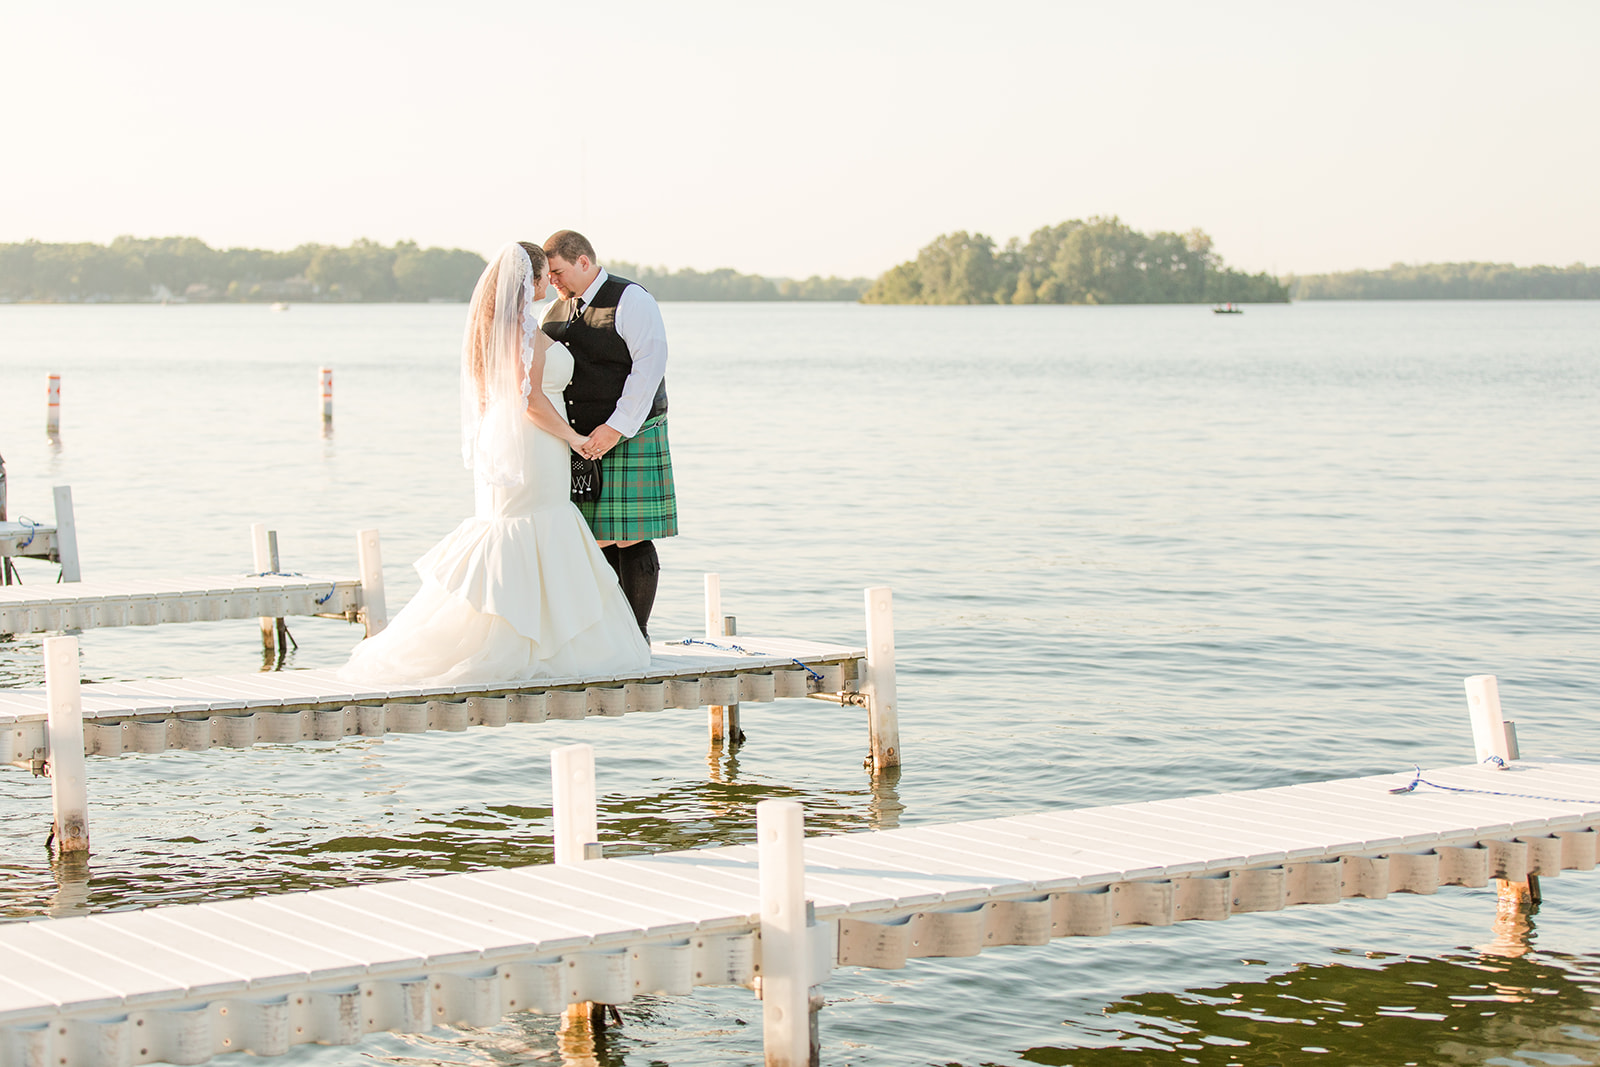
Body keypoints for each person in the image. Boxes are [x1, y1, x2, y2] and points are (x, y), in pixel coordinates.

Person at [339, 241, 651, 686]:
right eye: (546, 275)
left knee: (518, 531)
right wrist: (574, 438)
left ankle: (525, 635)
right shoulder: (521, 329)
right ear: (532, 280)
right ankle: (534, 643)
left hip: (512, 442)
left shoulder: (501, 327)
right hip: (535, 442)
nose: (551, 283)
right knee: (535, 528)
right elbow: (531, 401)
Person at [541, 230, 677, 641]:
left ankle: (637, 634)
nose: (554, 282)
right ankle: (609, 632)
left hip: (631, 431)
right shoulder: (554, 311)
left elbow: (649, 365)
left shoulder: (631, 299)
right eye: (548, 276)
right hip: (579, 441)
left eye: (559, 272)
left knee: (631, 535)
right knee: (596, 537)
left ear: (584, 260)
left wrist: (616, 427)